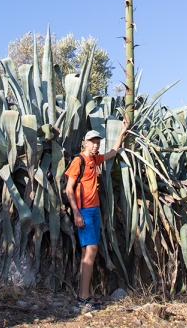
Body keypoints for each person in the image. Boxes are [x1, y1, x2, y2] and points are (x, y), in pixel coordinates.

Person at [65, 117, 130, 311]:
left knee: (88, 252)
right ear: (84, 143)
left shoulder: (94, 159)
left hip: (93, 210)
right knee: (91, 251)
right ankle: (84, 296)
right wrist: (76, 213)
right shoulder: (79, 161)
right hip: (83, 211)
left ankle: (84, 295)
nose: (95, 145)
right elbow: (68, 190)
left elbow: (112, 152)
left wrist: (122, 132)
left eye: (98, 142)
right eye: (92, 142)